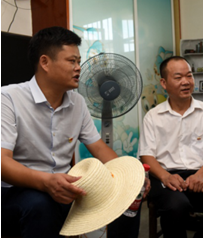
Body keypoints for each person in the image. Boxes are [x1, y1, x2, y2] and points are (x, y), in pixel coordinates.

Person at [1, 26, 149, 238]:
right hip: (17, 189)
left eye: (79, 61)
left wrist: (127, 177)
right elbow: (2, 162)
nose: (79, 68)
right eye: (72, 61)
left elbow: (98, 147)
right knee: (41, 204)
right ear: (45, 62)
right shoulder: (8, 98)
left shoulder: (77, 102)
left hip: (63, 185)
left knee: (126, 195)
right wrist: (46, 181)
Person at [139, 56, 203, 238]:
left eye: (189, 76)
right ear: (164, 83)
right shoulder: (153, 116)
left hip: (201, 174)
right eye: (178, 77)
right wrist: (165, 177)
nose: (186, 82)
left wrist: (201, 174)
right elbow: (146, 155)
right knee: (176, 205)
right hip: (166, 176)